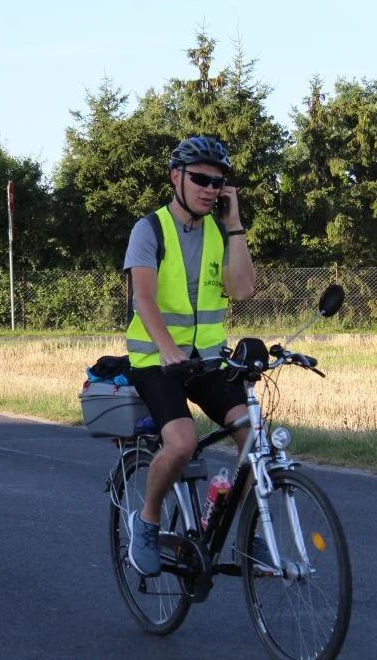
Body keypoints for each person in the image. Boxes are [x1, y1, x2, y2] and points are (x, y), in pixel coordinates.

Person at [122, 136, 257, 576]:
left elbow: (242, 290)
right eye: (200, 178)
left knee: (254, 438)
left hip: (207, 361)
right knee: (180, 442)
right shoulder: (150, 229)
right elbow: (144, 298)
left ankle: (222, 524)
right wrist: (166, 349)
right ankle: (148, 521)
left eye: (219, 183)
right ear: (175, 177)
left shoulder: (219, 232)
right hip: (156, 362)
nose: (210, 189)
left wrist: (234, 224)